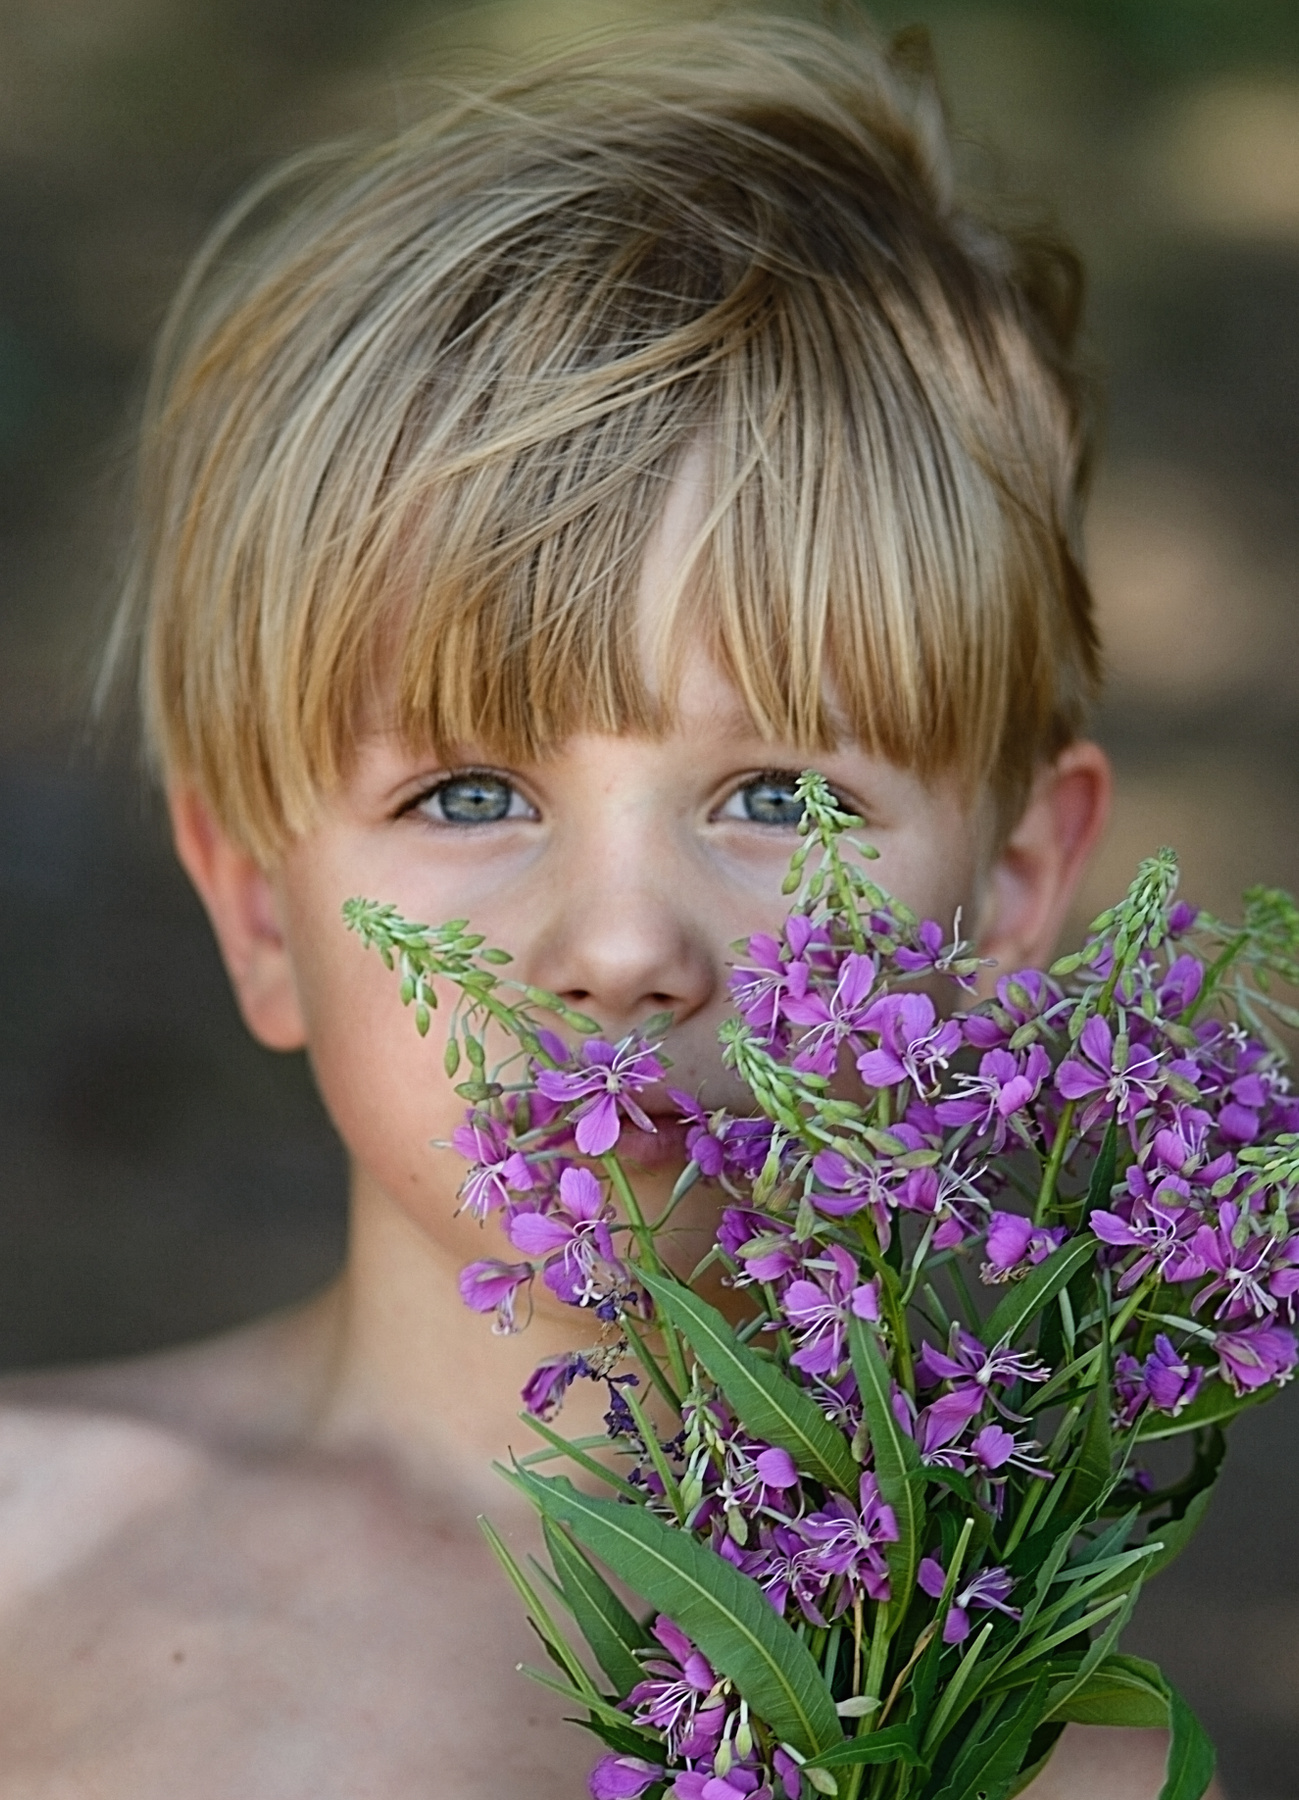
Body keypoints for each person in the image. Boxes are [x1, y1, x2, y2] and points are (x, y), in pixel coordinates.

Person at [0, 16, 1219, 1798]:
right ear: (262, 910)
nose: (629, 947)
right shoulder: (31, 1564)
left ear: (1017, 886)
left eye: (785, 799)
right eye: (469, 794)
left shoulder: (1041, 1743)